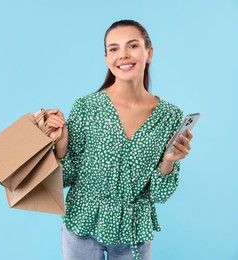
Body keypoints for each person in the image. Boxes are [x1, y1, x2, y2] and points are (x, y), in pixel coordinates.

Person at [44, 20, 194, 260]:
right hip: (82, 223)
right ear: (106, 58)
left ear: (149, 52)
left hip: (134, 231)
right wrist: (60, 145)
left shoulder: (170, 116)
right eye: (113, 49)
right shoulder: (86, 107)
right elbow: (65, 179)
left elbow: (160, 195)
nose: (123, 55)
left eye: (132, 46)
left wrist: (169, 160)